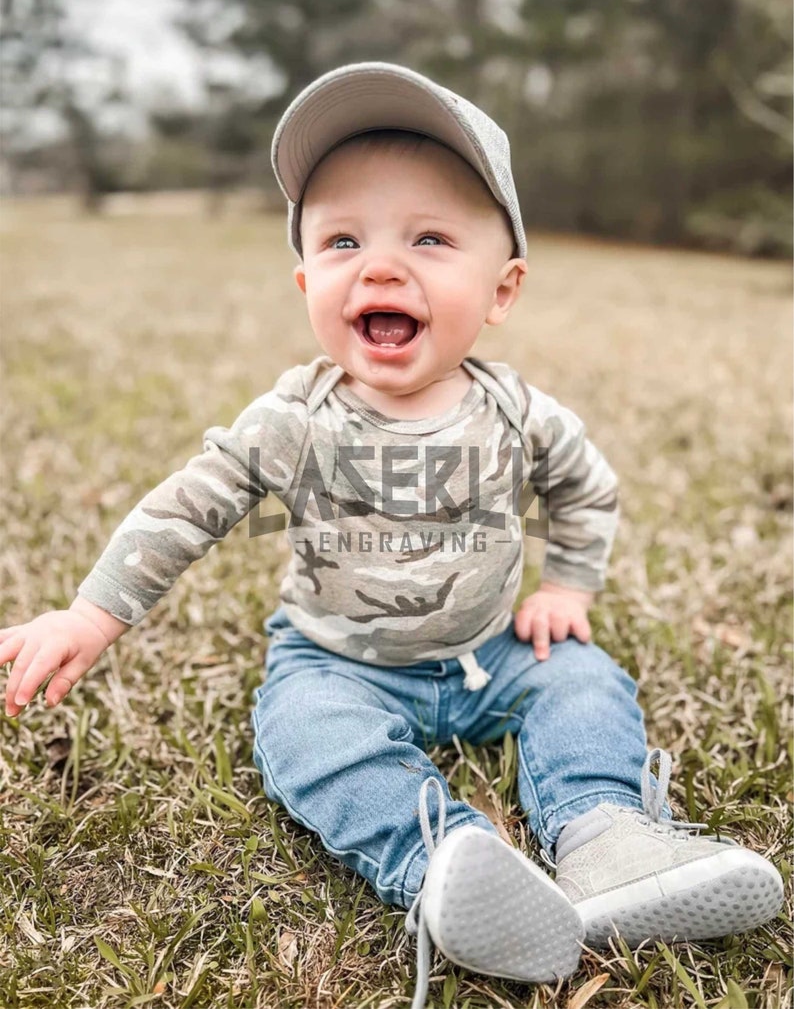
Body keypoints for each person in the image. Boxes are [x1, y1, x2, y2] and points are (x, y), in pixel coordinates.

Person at [1, 63, 783, 1009]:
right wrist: (91, 613)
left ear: (502, 289)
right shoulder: (295, 416)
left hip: (495, 652)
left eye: (429, 237)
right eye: (342, 240)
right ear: (306, 282)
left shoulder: (519, 413)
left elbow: (587, 488)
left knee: (584, 681)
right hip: (338, 660)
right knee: (304, 733)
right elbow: (185, 506)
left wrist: (567, 588)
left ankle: (607, 834)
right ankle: (449, 865)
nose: (378, 265)